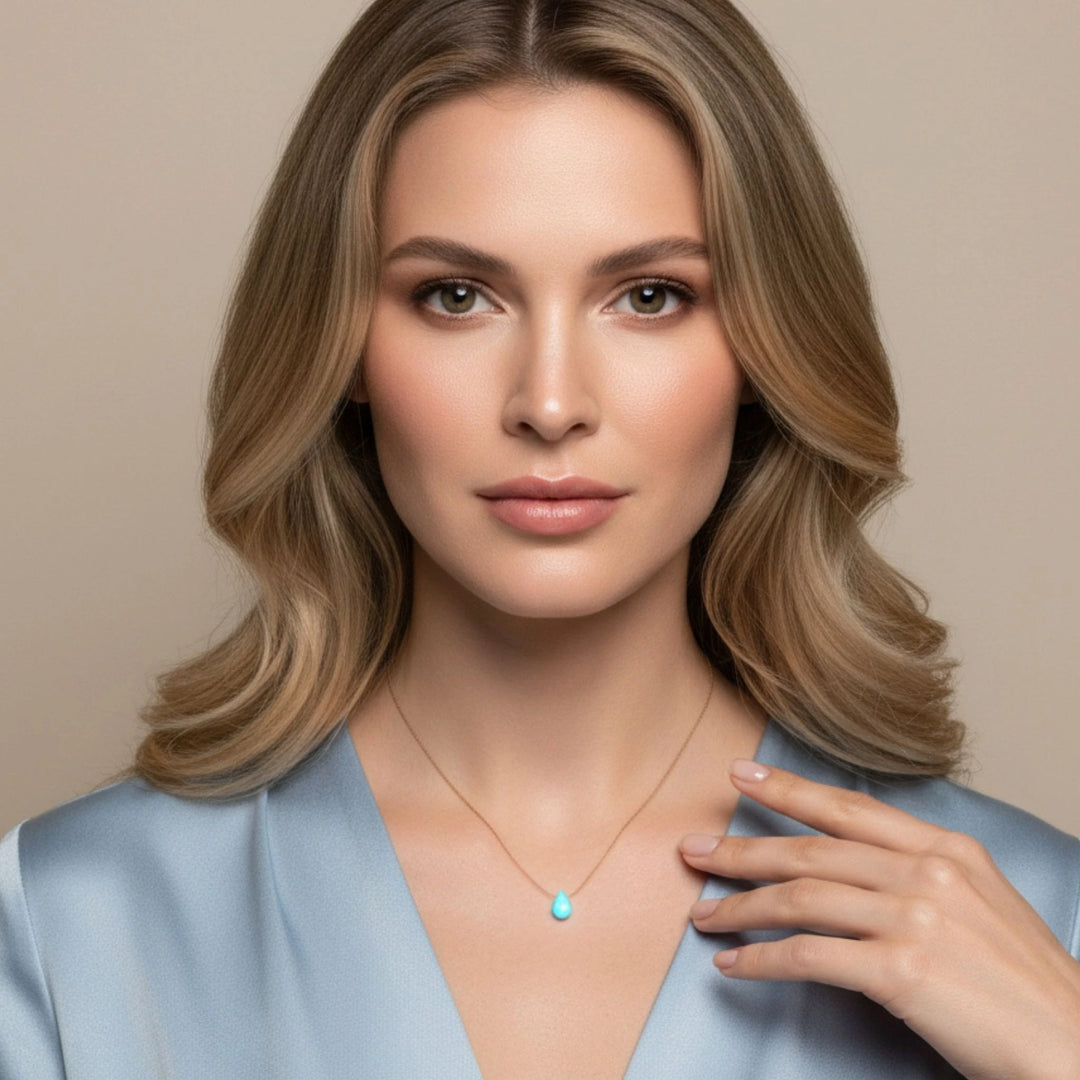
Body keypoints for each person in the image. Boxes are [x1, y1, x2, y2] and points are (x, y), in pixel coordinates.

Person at [2, 0, 1078, 1076]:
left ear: (765, 347)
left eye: (649, 296)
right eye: (456, 296)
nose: (551, 403)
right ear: (341, 346)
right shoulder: (72, 926)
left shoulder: (1036, 917)